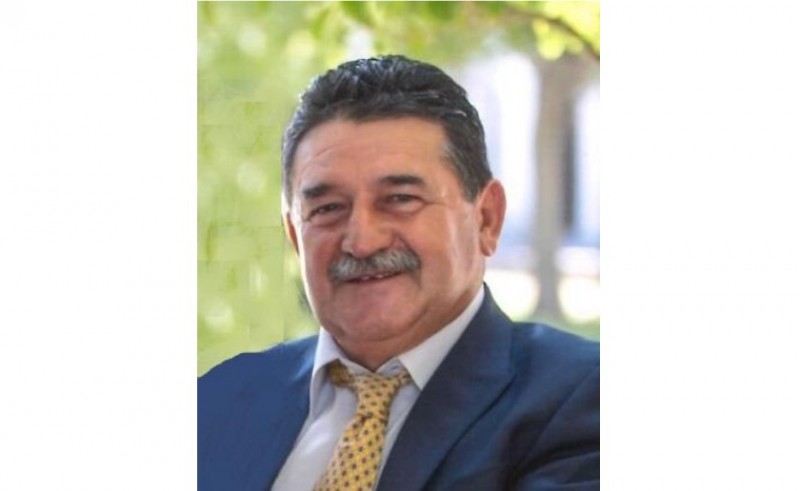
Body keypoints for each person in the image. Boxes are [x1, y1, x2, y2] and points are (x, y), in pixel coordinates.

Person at [198, 55, 599, 491]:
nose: (362, 241)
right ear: (295, 235)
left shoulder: (583, 399)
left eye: (400, 199)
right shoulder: (218, 399)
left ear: (486, 218)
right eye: (328, 208)